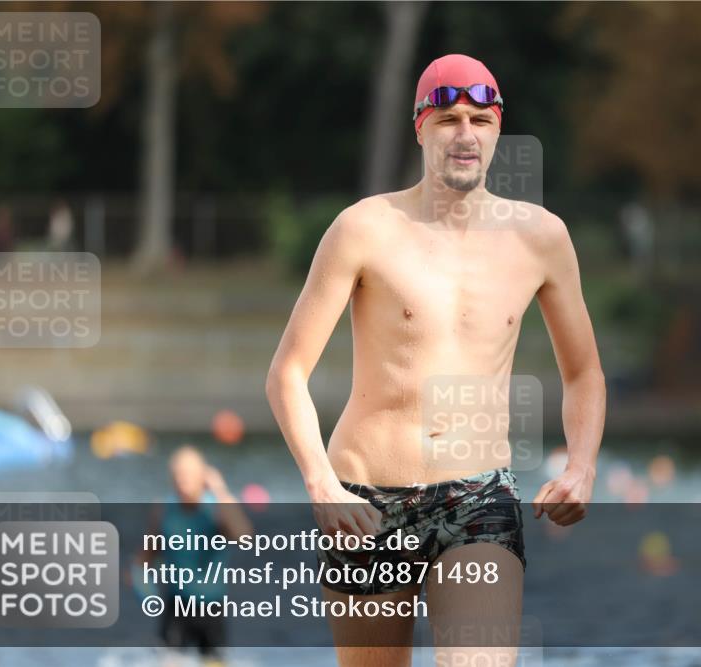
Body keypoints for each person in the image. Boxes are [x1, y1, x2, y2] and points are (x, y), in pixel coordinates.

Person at [265, 53, 606, 667]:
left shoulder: (541, 237)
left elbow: (583, 372)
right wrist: (320, 483)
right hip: (364, 501)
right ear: (419, 127)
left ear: (500, 129)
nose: (466, 134)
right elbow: (288, 371)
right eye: (448, 118)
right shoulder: (363, 228)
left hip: (479, 498)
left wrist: (582, 465)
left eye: (480, 118)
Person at [139, 445, 253, 666]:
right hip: (176, 605)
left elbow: (245, 537)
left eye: (188, 475)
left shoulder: (218, 508)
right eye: (178, 475)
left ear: (203, 476)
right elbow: (146, 556)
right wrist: (138, 578)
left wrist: (220, 490)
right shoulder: (163, 508)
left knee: (214, 662)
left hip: (212, 607)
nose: (182, 481)